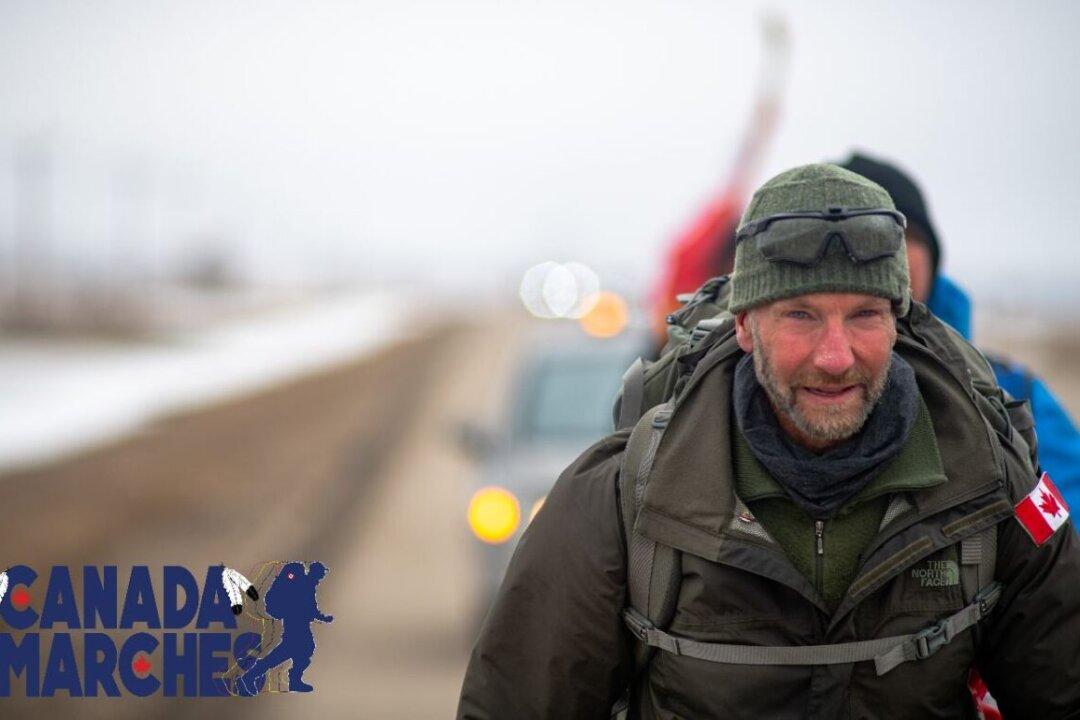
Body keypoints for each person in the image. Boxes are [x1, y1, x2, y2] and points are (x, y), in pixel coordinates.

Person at [457, 164, 1080, 719]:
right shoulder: (627, 497)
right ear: (745, 326)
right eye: (800, 315)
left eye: (864, 314)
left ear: (899, 322)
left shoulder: (991, 483)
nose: (836, 358)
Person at [840, 152, 1080, 513]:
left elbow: (1063, 526)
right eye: (862, 234)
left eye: (905, 233)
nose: (888, 253)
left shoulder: (1011, 395)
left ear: (933, 256)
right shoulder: (773, 389)